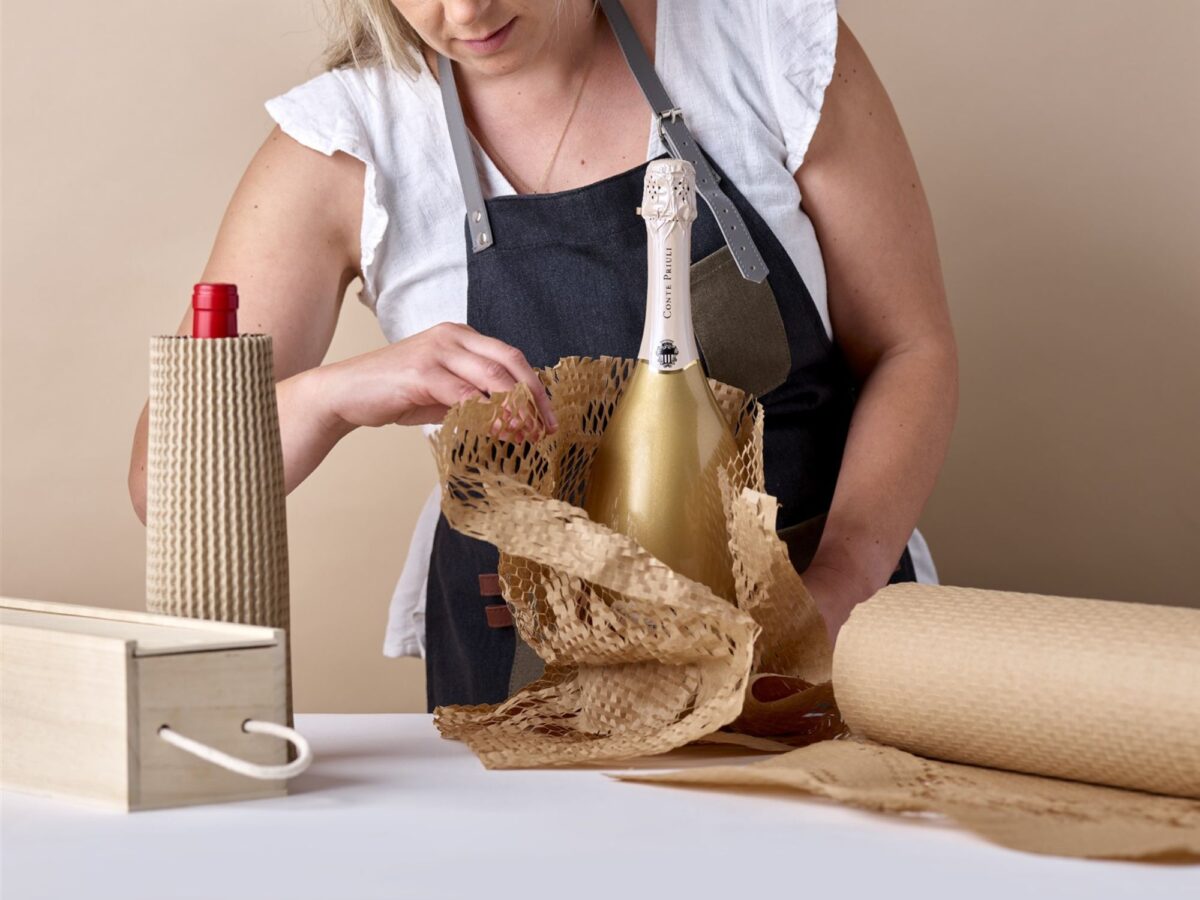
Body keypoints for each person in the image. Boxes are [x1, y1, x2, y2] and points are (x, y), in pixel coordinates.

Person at [128, 0, 957, 711]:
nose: (466, 14)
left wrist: (843, 588)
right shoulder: (346, 145)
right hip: (525, 683)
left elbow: (908, 347)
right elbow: (161, 483)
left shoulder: (764, 46)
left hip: (818, 638)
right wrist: (333, 397)